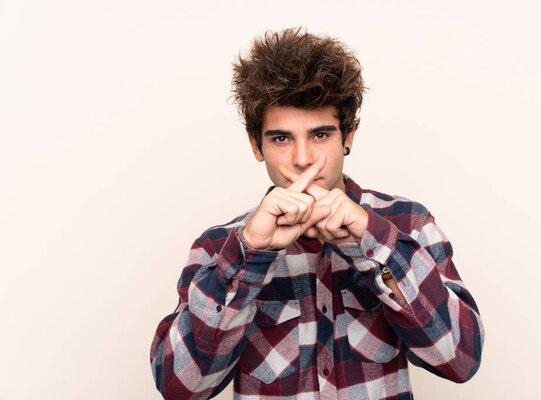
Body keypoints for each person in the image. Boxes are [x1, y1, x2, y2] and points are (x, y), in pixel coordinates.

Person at [150, 27, 484, 400]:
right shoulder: (218, 247)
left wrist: (372, 241)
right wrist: (248, 255)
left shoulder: (409, 225)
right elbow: (181, 389)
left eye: (321, 135)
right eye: (281, 138)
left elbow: (460, 360)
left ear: (349, 137)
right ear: (255, 145)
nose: (303, 158)